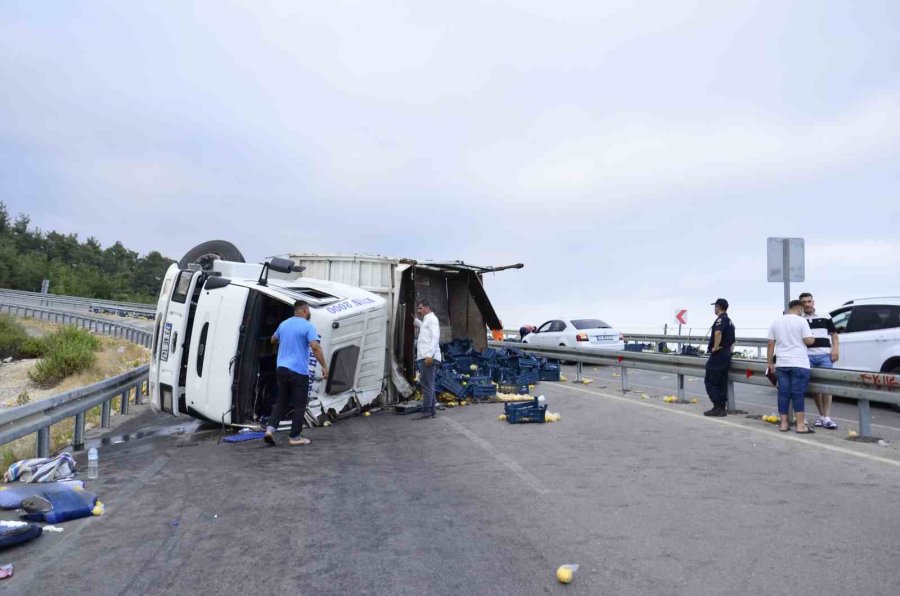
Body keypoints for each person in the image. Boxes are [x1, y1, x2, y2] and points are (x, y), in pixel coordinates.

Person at [264, 300, 328, 446]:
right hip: (298, 371)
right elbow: (315, 347)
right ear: (305, 310)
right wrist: (324, 366)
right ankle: (295, 437)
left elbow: (273, 340)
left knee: (281, 401)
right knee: (299, 404)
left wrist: (284, 340)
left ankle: (269, 430)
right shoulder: (308, 326)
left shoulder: (284, 324)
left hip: (281, 369)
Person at [767, 300, 815, 433]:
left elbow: (770, 344)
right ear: (799, 309)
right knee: (797, 394)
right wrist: (813, 338)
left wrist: (770, 362)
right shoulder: (801, 321)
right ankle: (800, 425)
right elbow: (808, 340)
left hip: (782, 363)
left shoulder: (776, 322)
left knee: (783, 394)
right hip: (799, 363)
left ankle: (783, 424)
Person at [799, 292, 840, 429]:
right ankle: (822, 416)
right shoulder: (799, 319)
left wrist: (835, 350)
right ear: (801, 304)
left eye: (809, 301)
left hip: (824, 355)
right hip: (807, 356)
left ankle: (827, 417)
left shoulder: (825, 315)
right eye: (804, 302)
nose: (807, 304)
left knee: (827, 387)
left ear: (813, 302)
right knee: (815, 388)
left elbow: (834, 335)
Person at [704, 298, 736, 417]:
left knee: (710, 381)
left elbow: (718, 333)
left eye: (715, 306)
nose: (714, 308)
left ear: (718, 307)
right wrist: (729, 352)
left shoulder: (721, 320)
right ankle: (721, 408)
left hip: (719, 354)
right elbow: (733, 341)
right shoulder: (730, 321)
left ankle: (717, 406)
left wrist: (716, 347)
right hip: (726, 354)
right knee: (722, 381)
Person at [413, 299, 442, 419]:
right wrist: (415, 320)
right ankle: (432, 411)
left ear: (427, 307)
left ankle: (427, 412)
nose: (419, 311)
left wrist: (430, 355)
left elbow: (435, 338)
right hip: (425, 356)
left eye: (420, 308)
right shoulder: (427, 320)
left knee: (426, 385)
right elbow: (424, 329)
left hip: (428, 357)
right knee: (429, 385)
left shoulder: (432, 319)